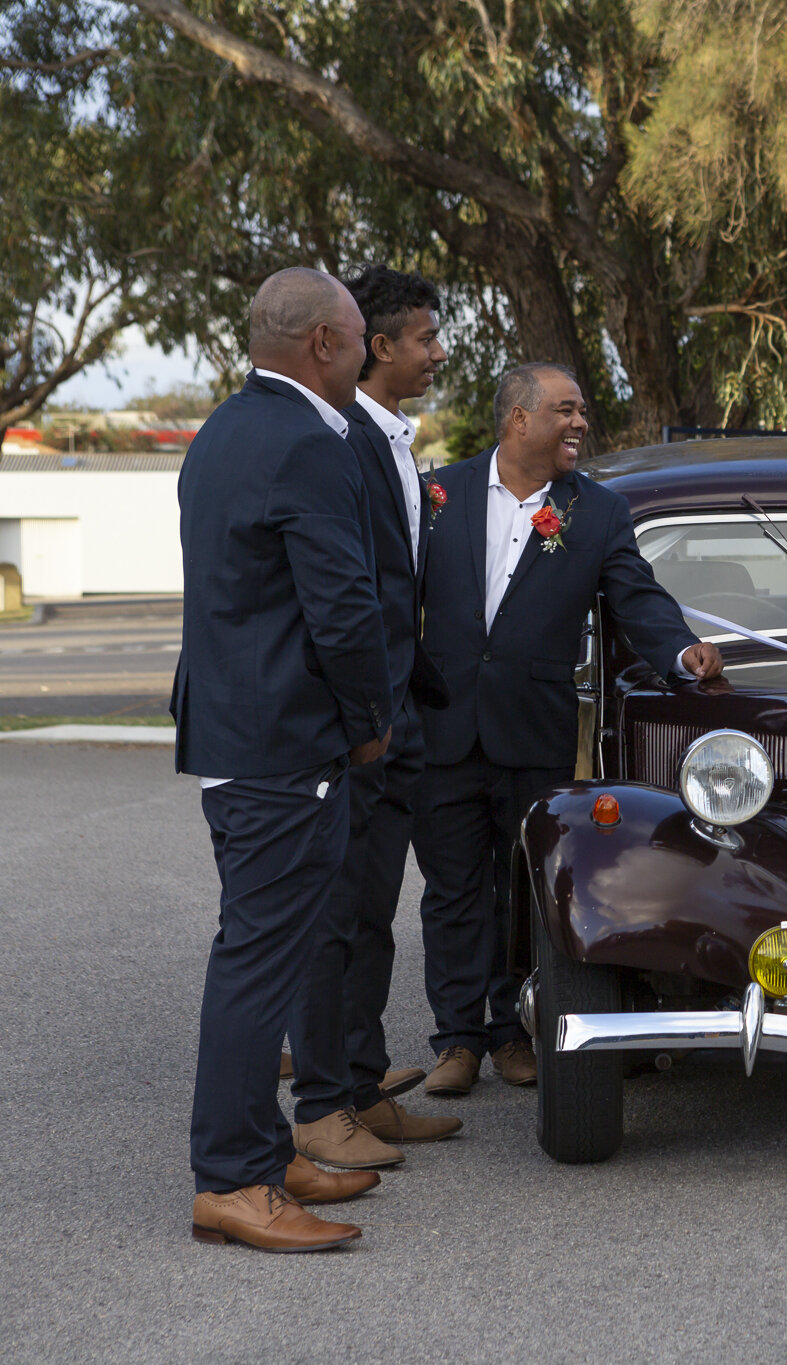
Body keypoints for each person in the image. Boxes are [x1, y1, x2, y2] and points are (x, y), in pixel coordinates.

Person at [413, 363, 724, 1097]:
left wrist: (683, 652)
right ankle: (457, 1039)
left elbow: (637, 601)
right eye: (565, 410)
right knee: (452, 889)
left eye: (581, 411)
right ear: (519, 420)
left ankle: (514, 1031)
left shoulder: (599, 512)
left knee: (525, 891)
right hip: (443, 728)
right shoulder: (437, 494)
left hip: (534, 729)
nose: (579, 423)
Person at [175, 267, 393, 1251]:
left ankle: (263, 1156)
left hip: (236, 734)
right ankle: (231, 1181)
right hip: (288, 744)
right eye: (359, 340)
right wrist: (368, 721)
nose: (369, 354)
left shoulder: (222, 429)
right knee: (259, 965)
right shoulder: (312, 440)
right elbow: (343, 609)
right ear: (322, 347)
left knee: (272, 951)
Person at [281, 266, 463, 1169]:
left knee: (378, 912)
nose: (439, 353)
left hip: (401, 718)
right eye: (426, 338)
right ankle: (327, 1102)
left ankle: (361, 1085)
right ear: (377, 346)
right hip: (356, 725)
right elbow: (342, 598)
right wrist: (366, 716)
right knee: (336, 914)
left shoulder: (398, 442)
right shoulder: (335, 438)